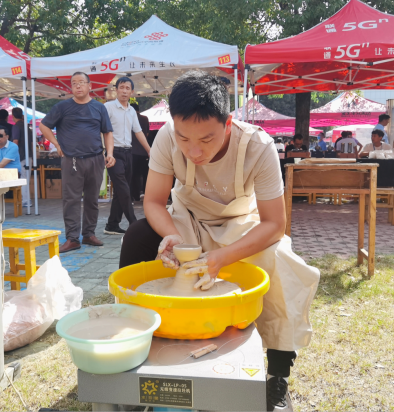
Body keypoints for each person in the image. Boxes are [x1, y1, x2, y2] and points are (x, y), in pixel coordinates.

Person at [119, 71, 319, 412]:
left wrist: (223, 257)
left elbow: (274, 223)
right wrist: (173, 237)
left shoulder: (259, 146)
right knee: (138, 236)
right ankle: (135, 356)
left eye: (206, 139)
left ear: (228, 123)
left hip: (240, 223)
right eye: (184, 138)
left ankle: (277, 377)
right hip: (187, 220)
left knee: (282, 262)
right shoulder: (167, 137)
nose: (193, 151)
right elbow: (153, 201)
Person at [39, 72, 115, 251]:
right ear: (71, 88)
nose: (78, 86)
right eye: (74, 83)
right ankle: (73, 238)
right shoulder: (62, 107)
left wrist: (110, 153)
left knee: (92, 199)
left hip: (96, 158)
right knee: (71, 199)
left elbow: (108, 132)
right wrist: (57, 144)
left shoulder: (99, 108)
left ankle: (89, 234)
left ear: (90, 86)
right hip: (71, 160)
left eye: (81, 82)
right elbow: (44, 125)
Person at [103, 77, 151, 235]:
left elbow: (138, 132)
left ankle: (112, 225)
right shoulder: (108, 107)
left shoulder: (131, 111)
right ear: (116, 90)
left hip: (128, 153)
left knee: (121, 190)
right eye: (121, 87)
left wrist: (149, 150)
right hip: (113, 153)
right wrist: (104, 152)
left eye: (127, 88)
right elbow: (101, 129)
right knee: (124, 188)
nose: (124, 91)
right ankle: (134, 223)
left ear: (132, 92)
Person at [11, 107, 34, 208]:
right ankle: (26, 199)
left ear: (12, 116)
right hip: (29, 156)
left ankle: (25, 200)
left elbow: (15, 142)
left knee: (23, 179)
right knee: (26, 178)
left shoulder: (16, 127)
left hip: (21, 156)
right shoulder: (27, 127)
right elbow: (32, 143)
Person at [129, 103, 151, 201]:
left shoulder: (129, 118)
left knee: (133, 175)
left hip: (132, 151)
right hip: (143, 152)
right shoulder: (145, 118)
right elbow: (146, 133)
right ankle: (148, 195)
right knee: (145, 174)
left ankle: (134, 195)